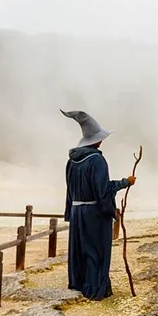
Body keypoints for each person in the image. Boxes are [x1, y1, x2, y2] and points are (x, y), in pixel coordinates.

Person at [61, 109, 136, 300]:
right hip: (93, 213)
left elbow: (69, 190)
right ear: (97, 140)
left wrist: (70, 212)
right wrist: (125, 182)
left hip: (78, 211)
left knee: (79, 250)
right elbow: (102, 191)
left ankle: (78, 284)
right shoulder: (97, 160)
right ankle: (94, 290)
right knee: (96, 251)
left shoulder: (72, 161)